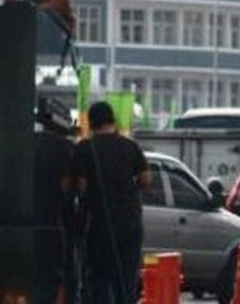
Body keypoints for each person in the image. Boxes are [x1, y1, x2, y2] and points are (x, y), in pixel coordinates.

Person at [71, 101, 151, 304]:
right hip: (130, 223)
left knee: (98, 279)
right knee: (126, 281)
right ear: (112, 121)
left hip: (100, 224)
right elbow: (146, 179)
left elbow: (81, 186)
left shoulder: (85, 148)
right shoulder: (130, 146)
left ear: (91, 123)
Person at [33, 98, 75, 304]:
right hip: (54, 224)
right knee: (54, 279)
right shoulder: (64, 148)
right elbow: (66, 186)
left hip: (26, 223)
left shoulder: (28, 142)